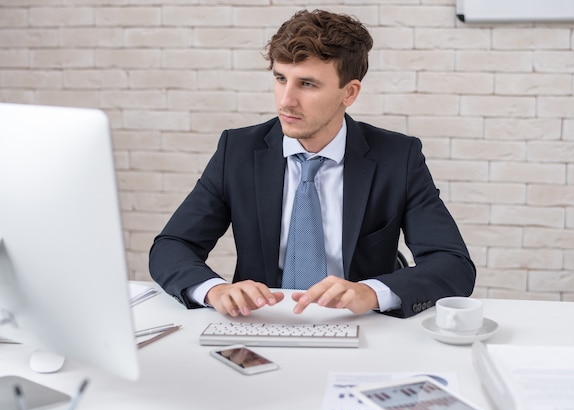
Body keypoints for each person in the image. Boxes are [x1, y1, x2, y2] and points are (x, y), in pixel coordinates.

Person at [149, 9, 475, 319]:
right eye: (280, 78)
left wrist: (372, 292)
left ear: (349, 92)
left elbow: (453, 264)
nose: (286, 100)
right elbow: (172, 246)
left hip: (359, 326)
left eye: (307, 84)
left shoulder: (397, 157)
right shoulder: (237, 151)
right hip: (262, 322)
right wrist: (214, 290)